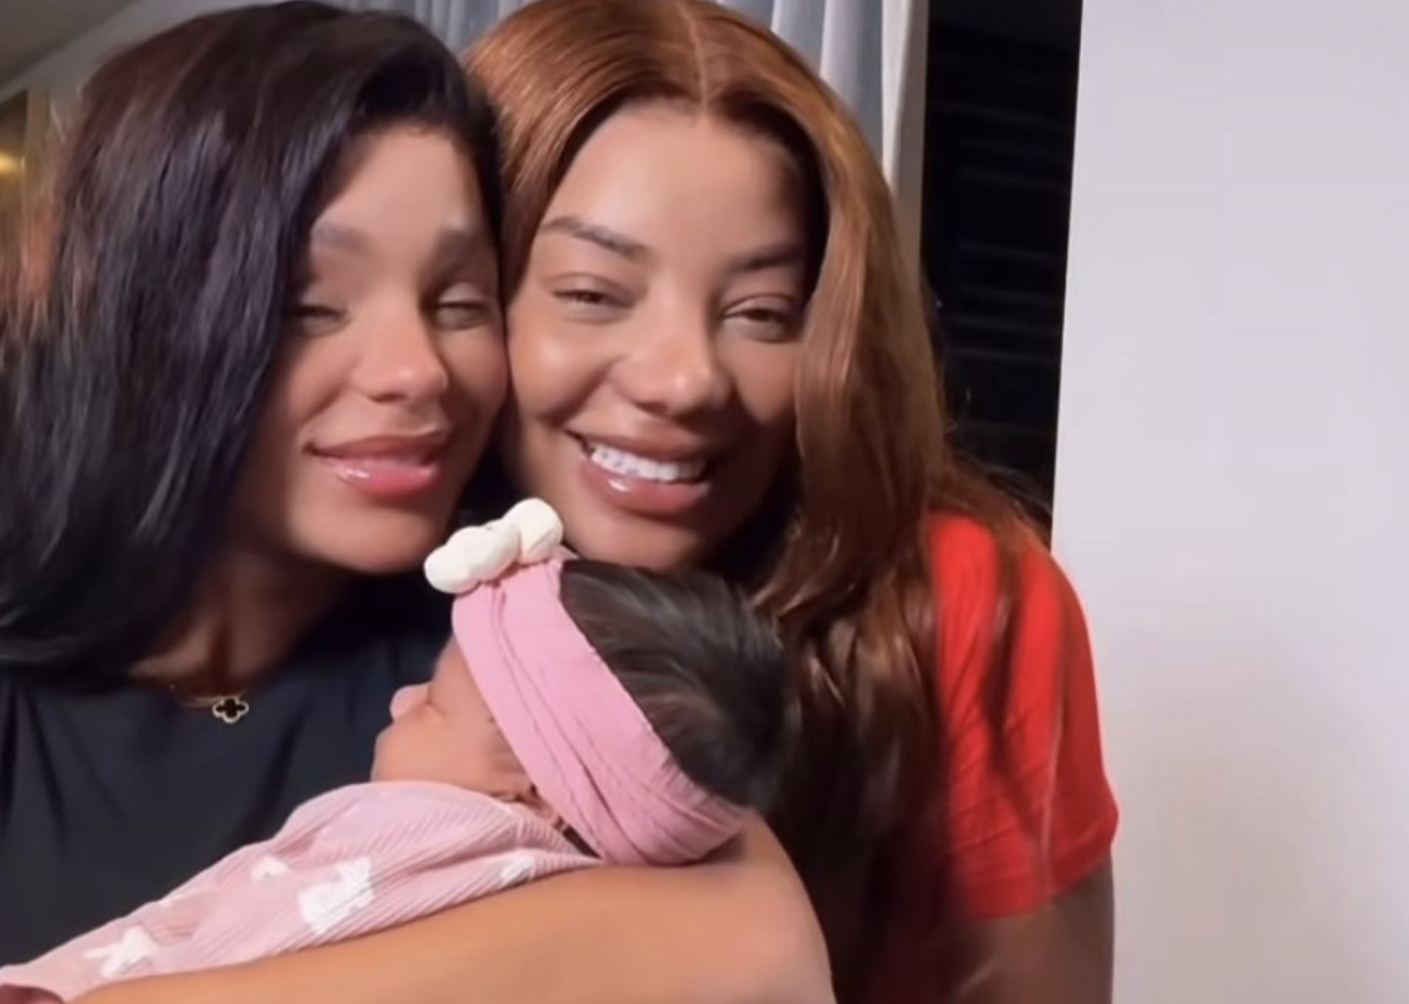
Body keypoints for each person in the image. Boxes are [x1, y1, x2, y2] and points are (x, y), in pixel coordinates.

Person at [0, 5, 828, 1004]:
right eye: (309, 304)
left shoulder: (496, 673)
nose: (414, 369)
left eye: (458, 298)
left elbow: (764, 950)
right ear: (140, 326)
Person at [462, 1, 1120, 1001]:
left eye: (763, 313)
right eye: (594, 293)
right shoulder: (373, 573)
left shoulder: (956, 598)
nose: (686, 379)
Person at [0, 500, 792, 1004]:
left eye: (434, 704)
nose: (402, 701)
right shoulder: (642, 885)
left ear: (535, 794)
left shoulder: (425, 836)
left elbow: (262, 934)